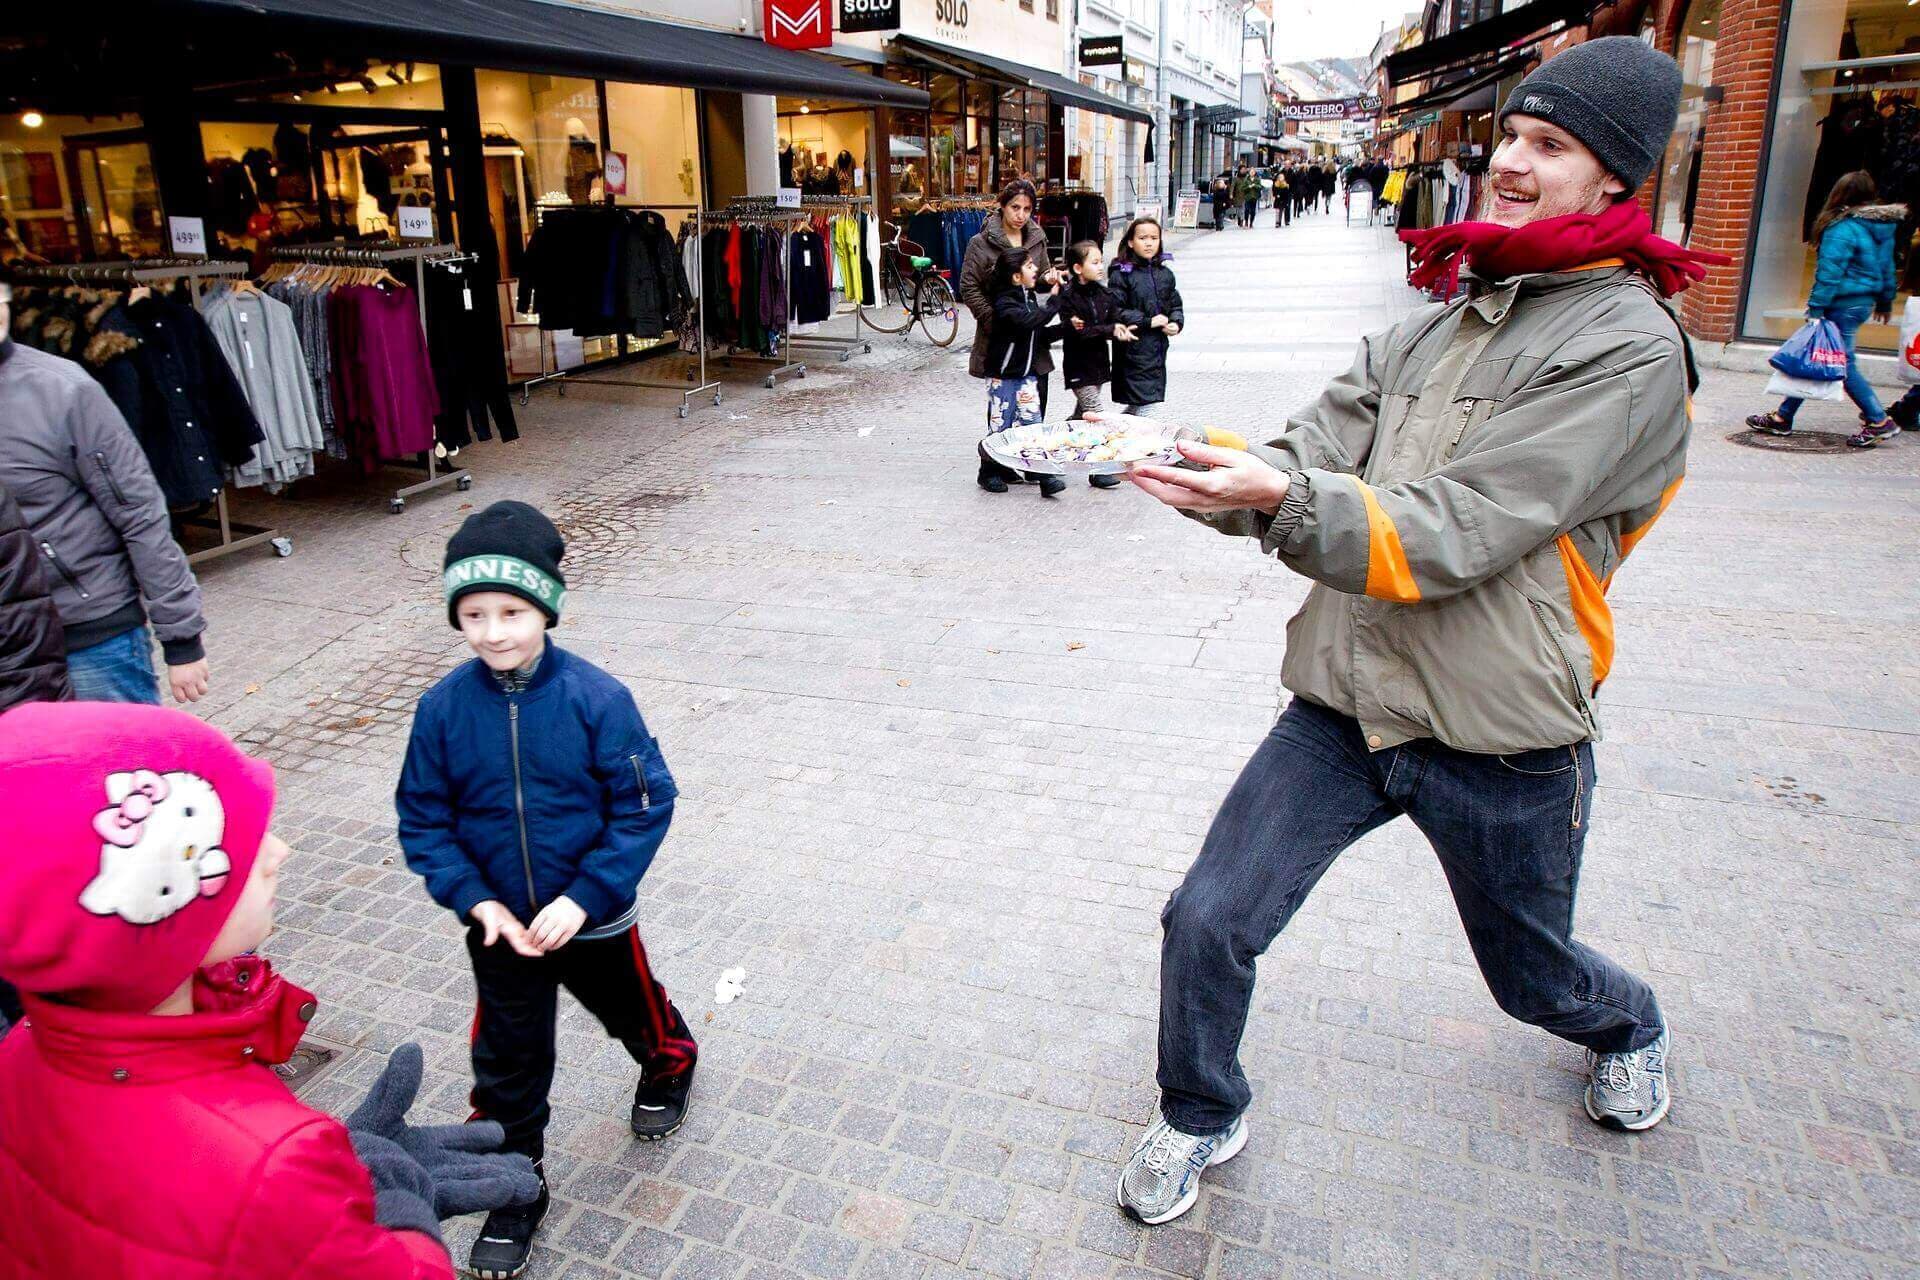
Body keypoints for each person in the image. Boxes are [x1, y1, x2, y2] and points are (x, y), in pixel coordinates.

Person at [1117, 36, 1721, 1226]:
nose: (1510, 161)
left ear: (1615, 180)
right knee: (1209, 913)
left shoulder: (1634, 349)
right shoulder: (1443, 318)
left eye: (1550, 146)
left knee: (1529, 974)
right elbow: (1315, 447)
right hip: (1346, 699)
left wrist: (1280, 501)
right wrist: (1221, 469)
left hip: (1498, 728)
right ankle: (1199, 1106)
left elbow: (1465, 523)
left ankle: (1628, 1022)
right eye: (1511, 136)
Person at [0, 700, 540, 1277]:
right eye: (240, 841)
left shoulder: (22, 1053)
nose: (279, 852)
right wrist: (396, 1205)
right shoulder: (271, 1169)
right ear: (159, 908)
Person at [396, 500, 694, 1280]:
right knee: (507, 1066)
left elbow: (644, 803)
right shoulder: (441, 710)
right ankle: (514, 1190)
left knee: (631, 1009)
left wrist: (585, 896)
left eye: (512, 610)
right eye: (473, 614)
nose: (493, 631)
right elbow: (423, 820)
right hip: (502, 930)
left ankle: (669, 1061)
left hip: (591, 921)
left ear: (546, 608)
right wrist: (477, 900)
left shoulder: (598, 699)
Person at [0, 281, 212, 705]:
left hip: (88, 636)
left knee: (123, 768)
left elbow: (138, 509)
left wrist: (182, 637)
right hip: (10, 652)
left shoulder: (61, 389)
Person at [1746, 170, 1903, 448]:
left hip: (1840, 303)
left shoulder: (1841, 228)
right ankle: (1783, 417)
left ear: (1839, 194)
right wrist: (1885, 300)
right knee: (1816, 356)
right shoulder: (1880, 227)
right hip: (1862, 302)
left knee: (1840, 362)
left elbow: (1830, 273)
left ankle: (1879, 420)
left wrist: (1816, 307)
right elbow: (1887, 268)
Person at [960, 179, 1058, 491]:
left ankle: (1027, 464)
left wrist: (1047, 278)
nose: (1020, 214)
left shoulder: (1036, 237)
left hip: (1031, 337)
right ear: (1002, 205)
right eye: (1015, 207)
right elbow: (968, 286)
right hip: (1001, 339)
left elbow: (1038, 277)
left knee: (1034, 404)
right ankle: (990, 468)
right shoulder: (981, 242)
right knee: (1002, 411)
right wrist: (992, 319)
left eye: (1027, 209)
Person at [982, 248, 1068, 499]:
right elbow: (1030, 322)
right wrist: (1054, 300)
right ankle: (988, 471)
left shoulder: (1027, 297)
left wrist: (1065, 328)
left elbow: (1037, 333)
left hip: (1027, 375)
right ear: (1016, 277)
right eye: (1030, 266)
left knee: (1033, 425)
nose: (1036, 270)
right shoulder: (1004, 302)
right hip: (1003, 377)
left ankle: (1044, 477)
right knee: (1001, 427)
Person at [1056, 240, 1140, 490]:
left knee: (1081, 417)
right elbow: (1079, 332)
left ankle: (1057, 443)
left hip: (1099, 366)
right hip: (1078, 366)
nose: (1100, 266)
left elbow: (1113, 319)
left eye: (1101, 260)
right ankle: (1100, 470)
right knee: (1096, 416)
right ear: (1078, 268)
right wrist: (1110, 329)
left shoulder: (1103, 294)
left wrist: (1121, 330)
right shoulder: (1068, 297)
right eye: (1094, 262)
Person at [1108, 216, 1184, 417]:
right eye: (1143, 238)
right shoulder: (1121, 274)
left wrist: (1176, 322)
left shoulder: (1165, 274)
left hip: (1157, 350)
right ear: (1131, 242)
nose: (1149, 242)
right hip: (1132, 350)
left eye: (1154, 237)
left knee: (1141, 405)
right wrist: (1148, 321)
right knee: (1148, 408)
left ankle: (1118, 432)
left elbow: (1175, 303)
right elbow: (1115, 309)